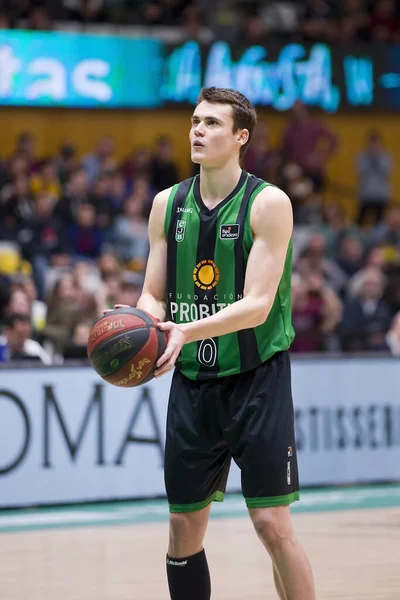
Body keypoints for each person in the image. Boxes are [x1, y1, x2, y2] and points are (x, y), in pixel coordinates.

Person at [106, 87, 315, 600]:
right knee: (182, 532)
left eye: (212, 123)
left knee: (271, 523)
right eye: (195, 121)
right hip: (194, 383)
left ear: (241, 136)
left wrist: (182, 330)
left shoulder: (269, 203)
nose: (198, 130)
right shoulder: (166, 204)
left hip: (257, 380)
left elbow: (258, 305)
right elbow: (154, 293)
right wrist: (144, 325)